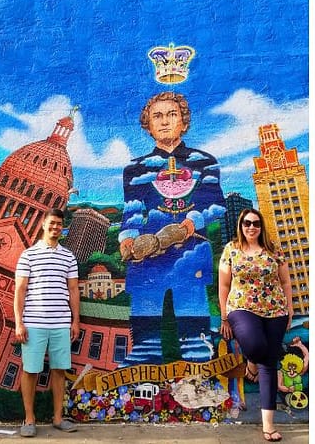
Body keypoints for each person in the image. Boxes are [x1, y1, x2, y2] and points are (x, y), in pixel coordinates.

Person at [118, 91, 225, 364]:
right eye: (157, 116)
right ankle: (145, 359)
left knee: (191, 312)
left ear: (184, 122)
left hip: (190, 250)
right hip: (148, 254)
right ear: (148, 125)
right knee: (146, 311)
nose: (165, 121)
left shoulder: (205, 162)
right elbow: (132, 210)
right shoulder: (135, 168)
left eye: (172, 115)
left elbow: (215, 204)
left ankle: (197, 359)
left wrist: (190, 225)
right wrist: (128, 240)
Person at [218, 208, 292, 443]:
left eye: (256, 224)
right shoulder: (231, 250)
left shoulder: (273, 250)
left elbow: (285, 280)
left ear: (261, 227)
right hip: (242, 308)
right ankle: (250, 361)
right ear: (240, 226)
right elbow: (224, 285)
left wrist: (289, 309)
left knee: (269, 363)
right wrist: (224, 317)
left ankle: (268, 426)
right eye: (247, 223)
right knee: (257, 347)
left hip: (275, 310)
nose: (252, 227)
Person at [13, 208, 80, 438]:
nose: (55, 227)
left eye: (59, 224)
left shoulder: (68, 256)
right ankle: (29, 418)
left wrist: (75, 322)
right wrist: (19, 323)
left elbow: (73, 290)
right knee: (30, 370)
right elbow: (20, 290)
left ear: (62, 227)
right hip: (34, 323)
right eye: (52, 223)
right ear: (43, 224)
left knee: (59, 370)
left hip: (61, 323)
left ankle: (58, 417)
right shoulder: (28, 255)